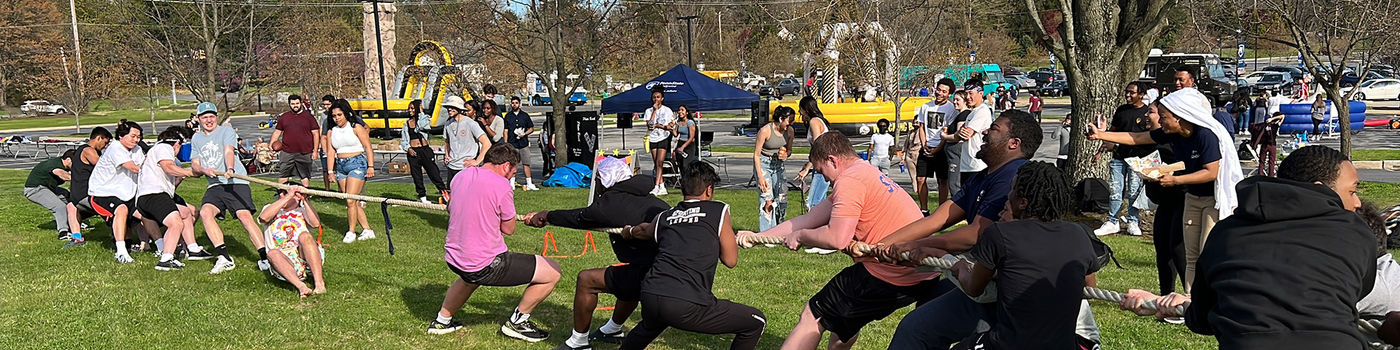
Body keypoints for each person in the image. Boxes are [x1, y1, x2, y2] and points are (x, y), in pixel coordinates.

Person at [1119, 145, 1374, 349]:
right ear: (1317, 189)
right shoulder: (1356, 232)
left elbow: (1203, 317)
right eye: (1352, 191)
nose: (1359, 202)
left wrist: (1177, 305)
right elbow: (1357, 292)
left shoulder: (1226, 232)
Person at [738, 132, 942, 350]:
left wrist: (801, 237)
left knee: (813, 316)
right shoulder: (863, 171)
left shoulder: (850, 180)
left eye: (821, 171)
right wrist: (757, 237)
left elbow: (837, 238)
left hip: (891, 275)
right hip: (923, 275)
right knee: (842, 326)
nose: (824, 178)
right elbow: (809, 219)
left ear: (832, 160)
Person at [901, 161, 1101, 350]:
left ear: (1022, 202)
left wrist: (959, 265)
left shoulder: (1000, 234)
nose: (1007, 197)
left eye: (1011, 191)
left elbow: (974, 288)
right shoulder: (1080, 234)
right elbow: (1090, 289)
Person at [1087, 87, 1244, 293]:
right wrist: (1101, 135)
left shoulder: (1205, 135)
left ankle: (1210, 300)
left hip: (1213, 200)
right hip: (1192, 197)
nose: (1160, 121)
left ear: (1179, 117)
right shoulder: (1173, 133)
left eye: (1163, 117)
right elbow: (1138, 137)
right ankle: (1189, 301)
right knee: (1191, 255)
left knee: (1205, 251)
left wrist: (1176, 180)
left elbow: (1211, 172)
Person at [520, 158, 669, 350]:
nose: (595, 184)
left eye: (597, 179)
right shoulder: (650, 200)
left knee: (587, 280)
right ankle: (612, 329)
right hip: (666, 269)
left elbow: (581, 218)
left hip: (658, 277)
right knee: (627, 272)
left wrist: (546, 216)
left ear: (604, 181)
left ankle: (578, 342)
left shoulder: (612, 203)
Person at [617, 162, 767, 350]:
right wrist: (728, 237)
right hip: (686, 304)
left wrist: (628, 231)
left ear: (681, 187)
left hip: (650, 294)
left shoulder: (664, 216)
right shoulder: (718, 210)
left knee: (653, 322)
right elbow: (730, 260)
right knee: (756, 321)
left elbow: (642, 231)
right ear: (709, 190)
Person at [426, 144, 562, 343]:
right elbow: (508, 229)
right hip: (485, 263)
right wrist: (526, 220)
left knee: (469, 277)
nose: (511, 177)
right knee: (553, 271)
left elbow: (451, 208)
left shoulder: (461, 176)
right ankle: (518, 322)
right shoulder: (502, 186)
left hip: (455, 257)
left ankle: (442, 322)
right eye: (513, 172)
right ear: (506, 166)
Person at [189, 102, 263, 274]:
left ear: (216, 117)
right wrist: (203, 170)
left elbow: (229, 151)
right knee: (205, 213)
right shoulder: (196, 138)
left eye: (212, 116)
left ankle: (265, 257)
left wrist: (230, 169)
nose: (209, 120)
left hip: (235, 182)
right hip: (214, 184)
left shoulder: (225, 131)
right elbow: (195, 164)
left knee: (244, 217)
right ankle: (224, 258)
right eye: (205, 117)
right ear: (199, 119)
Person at [1137, 102, 1187, 321]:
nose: (1147, 115)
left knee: (1179, 250)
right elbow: (1129, 142)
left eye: (1152, 112)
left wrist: (1164, 171)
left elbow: (1191, 165)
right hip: (1164, 202)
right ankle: (1166, 297)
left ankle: (1188, 300)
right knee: (1162, 249)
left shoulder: (1179, 138)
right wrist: (1103, 135)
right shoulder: (1149, 138)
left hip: (1184, 200)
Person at [1094, 82, 1154, 236]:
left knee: (1133, 191)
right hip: (1119, 157)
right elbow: (1112, 133)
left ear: (1141, 94)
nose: (1128, 95)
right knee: (1115, 190)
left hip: (1137, 160)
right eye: (1126, 92)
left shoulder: (1147, 113)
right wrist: (1101, 150)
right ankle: (1112, 221)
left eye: (1132, 92)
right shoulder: (1121, 111)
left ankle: (1133, 221)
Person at [136, 126, 199, 271]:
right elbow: (168, 167)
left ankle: (193, 249)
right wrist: (190, 172)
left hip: (149, 197)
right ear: (177, 143)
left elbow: (170, 179)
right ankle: (166, 259)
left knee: (185, 212)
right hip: (154, 195)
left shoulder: (156, 151)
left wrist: (182, 175)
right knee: (175, 223)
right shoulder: (165, 148)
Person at [89, 121, 145, 263]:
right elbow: (134, 168)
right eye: (133, 136)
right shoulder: (115, 148)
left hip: (126, 193)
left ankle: (161, 247)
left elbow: (143, 165)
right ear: (121, 135)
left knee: (148, 213)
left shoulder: (136, 149)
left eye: (138, 137)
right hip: (102, 193)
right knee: (121, 209)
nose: (136, 140)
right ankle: (121, 252)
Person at [258, 186, 326, 298]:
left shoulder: (302, 211)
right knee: (272, 253)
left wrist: (305, 200)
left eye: (285, 192)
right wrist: (289, 196)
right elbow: (264, 218)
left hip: (305, 257)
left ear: (297, 197)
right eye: (281, 192)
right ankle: (301, 287)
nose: (281, 195)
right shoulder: (270, 208)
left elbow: (315, 224)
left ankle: (319, 283)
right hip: (283, 263)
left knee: (305, 236)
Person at [323, 102, 376, 244]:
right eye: (334, 116)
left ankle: (351, 231)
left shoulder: (356, 127)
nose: (337, 118)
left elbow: (368, 147)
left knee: (350, 200)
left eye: (339, 115)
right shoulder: (331, 131)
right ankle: (367, 229)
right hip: (340, 166)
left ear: (346, 114)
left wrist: (371, 166)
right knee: (353, 201)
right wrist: (330, 171)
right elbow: (331, 152)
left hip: (357, 163)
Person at [63, 127, 112, 247]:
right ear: (98, 138)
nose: (105, 146)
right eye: (105, 143)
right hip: (88, 193)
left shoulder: (80, 149)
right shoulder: (88, 150)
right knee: (111, 211)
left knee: (71, 207)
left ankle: (77, 238)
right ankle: (119, 235)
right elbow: (102, 167)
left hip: (76, 194)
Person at [913, 78, 958, 211]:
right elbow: (921, 126)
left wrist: (937, 149)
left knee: (942, 181)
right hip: (926, 147)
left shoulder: (951, 109)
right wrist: (924, 144)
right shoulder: (926, 106)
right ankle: (924, 209)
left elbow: (947, 131)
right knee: (920, 179)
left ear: (949, 94)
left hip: (942, 149)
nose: (940, 93)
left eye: (944, 91)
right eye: (938, 90)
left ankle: (941, 210)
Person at [754, 106, 795, 231]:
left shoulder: (790, 131)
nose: (790, 124)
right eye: (789, 121)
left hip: (779, 165)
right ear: (781, 118)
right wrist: (760, 177)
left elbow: (789, 150)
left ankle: (779, 229)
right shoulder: (766, 131)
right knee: (767, 199)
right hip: (764, 163)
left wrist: (786, 154)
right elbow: (756, 154)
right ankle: (766, 233)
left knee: (782, 198)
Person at [400, 99, 448, 204]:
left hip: (424, 150)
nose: (410, 110)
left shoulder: (424, 119)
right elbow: (403, 140)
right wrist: (409, 148)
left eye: (412, 108)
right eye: (409, 108)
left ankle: (444, 192)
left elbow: (424, 126)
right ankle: (422, 196)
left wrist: (421, 113)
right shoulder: (406, 124)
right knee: (417, 175)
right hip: (413, 152)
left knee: (434, 173)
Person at [25, 149, 75, 241]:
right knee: (59, 207)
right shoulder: (55, 165)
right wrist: (78, 178)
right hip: (35, 190)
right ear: (68, 160)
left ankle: (74, 222)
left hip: (48, 188)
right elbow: (62, 174)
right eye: (75, 163)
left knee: (70, 197)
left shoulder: (63, 164)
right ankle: (63, 233)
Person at [272, 94, 320, 187]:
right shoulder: (284, 117)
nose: (295, 105)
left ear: (301, 103)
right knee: (283, 174)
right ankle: (282, 192)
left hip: (305, 151)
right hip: (287, 151)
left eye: (297, 103)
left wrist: (315, 151)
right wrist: (272, 145)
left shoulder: (309, 117)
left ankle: (305, 194)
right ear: (289, 104)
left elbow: (316, 134)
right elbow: (277, 132)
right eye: (293, 103)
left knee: (304, 176)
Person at [955, 80, 995, 186]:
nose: (967, 97)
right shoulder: (973, 112)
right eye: (966, 93)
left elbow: (966, 134)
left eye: (971, 93)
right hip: (967, 164)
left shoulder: (982, 111)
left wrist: (959, 133)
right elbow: (960, 133)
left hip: (976, 165)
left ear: (980, 93)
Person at [443, 96, 491, 183]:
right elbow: (447, 141)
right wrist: (447, 155)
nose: (449, 109)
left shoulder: (471, 123)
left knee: (467, 195)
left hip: (466, 167)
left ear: (459, 108)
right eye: (448, 107)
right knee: (452, 194)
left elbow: (487, 143)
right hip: (452, 166)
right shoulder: (448, 124)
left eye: (453, 107)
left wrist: (477, 161)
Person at [643, 86, 675, 195]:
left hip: (663, 137)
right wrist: (654, 112)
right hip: (653, 138)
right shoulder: (649, 111)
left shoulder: (667, 110)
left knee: (660, 162)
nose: (656, 99)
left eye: (658, 97)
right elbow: (650, 126)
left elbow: (670, 127)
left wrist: (659, 126)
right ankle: (662, 186)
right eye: (654, 97)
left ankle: (656, 186)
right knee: (656, 163)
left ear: (662, 98)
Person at [503, 96, 539, 191]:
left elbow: (531, 128)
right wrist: (506, 143)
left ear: (519, 104)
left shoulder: (525, 116)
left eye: (516, 103)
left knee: (526, 163)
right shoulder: (508, 116)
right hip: (512, 143)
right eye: (513, 103)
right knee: (513, 163)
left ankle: (529, 183)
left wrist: (524, 134)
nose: (514, 104)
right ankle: (512, 183)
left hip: (523, 143)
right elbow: (505, 130)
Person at [941, 91, 973, 196]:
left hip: (956, 153)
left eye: (958, 100)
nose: (954, 102)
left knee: (954, 184)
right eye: (954, 99)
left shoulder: (964, 115)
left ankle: (958, 208)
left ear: (965, 101)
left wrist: (944, 137)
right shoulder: (960, 115)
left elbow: (958, 136)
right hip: (952, 154)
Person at [1249, 112, 1287, 177]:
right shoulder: (1276, 125)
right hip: (1272, 144)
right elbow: (1282, 116)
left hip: (1264, 144)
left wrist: (1270, 119)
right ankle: (1271, 175)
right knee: (1271, 162)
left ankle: (1260, 174)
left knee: (1262, 161)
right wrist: (1273, 119)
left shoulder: (1265, 125)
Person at [673, 105, 699, 178]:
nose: (680, 112)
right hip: (680, 143)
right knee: (680, 164)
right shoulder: (679, 122)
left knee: (686, 165)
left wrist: (683, 147)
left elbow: (691, 137)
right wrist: (674, 125)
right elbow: (675, 134)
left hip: (688, 145)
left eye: (682, 110)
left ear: (686, 112)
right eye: (679, 110)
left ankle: (689, 180)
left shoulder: (690, 123)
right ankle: (683, 181)